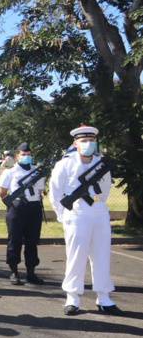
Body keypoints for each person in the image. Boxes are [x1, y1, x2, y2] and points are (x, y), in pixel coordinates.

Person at [49, 125, 123, 316]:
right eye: (83, 141)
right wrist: (62, 214)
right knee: (76, 256)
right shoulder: (65, 163)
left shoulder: (101, 163)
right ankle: (73, 297)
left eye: (91, 141)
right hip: (76, 211)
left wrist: (97, 203)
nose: (88, 144)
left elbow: (105, 188)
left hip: (98, 210)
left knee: (102, 254)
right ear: (75, 143)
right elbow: (55, 192)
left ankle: (104, 297)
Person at [0, 142, 44, 285]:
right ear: (17, 156)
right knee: (15, 239)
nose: (26, 157)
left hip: (34, 206)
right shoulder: (10, 171)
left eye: (28, 155)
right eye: (23, 155)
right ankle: (14, 272)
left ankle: (31, 272)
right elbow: (2, 193)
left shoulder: (37, 172)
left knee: (32, 240)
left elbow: (40, 191)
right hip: (17, 206)